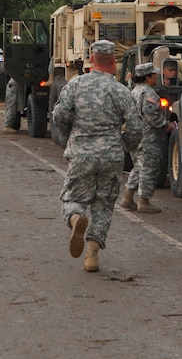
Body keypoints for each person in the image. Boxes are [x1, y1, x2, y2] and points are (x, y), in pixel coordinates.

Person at [51, 39, 142, 273]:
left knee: (72, 198)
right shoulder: (121, 91)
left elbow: (59, 115)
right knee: (103, 204)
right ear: (113, 61)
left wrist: (69, 136)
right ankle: (92, 255)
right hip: (111, 155)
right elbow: (135, 127)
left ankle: (75, 219)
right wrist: (123, 146)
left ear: (92, 60)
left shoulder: (75, 85)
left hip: (81, 153)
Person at [120, 62, 175, 213]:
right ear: (148, 77)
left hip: (134, 135)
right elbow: (152, 116)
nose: (157, 77)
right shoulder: (149, 94)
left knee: (138, 166)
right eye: (154, 74)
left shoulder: (133, 91)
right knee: (149, 167)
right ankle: (144, 201)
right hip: (148, 136)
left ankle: (128, 197)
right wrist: (167, 126)